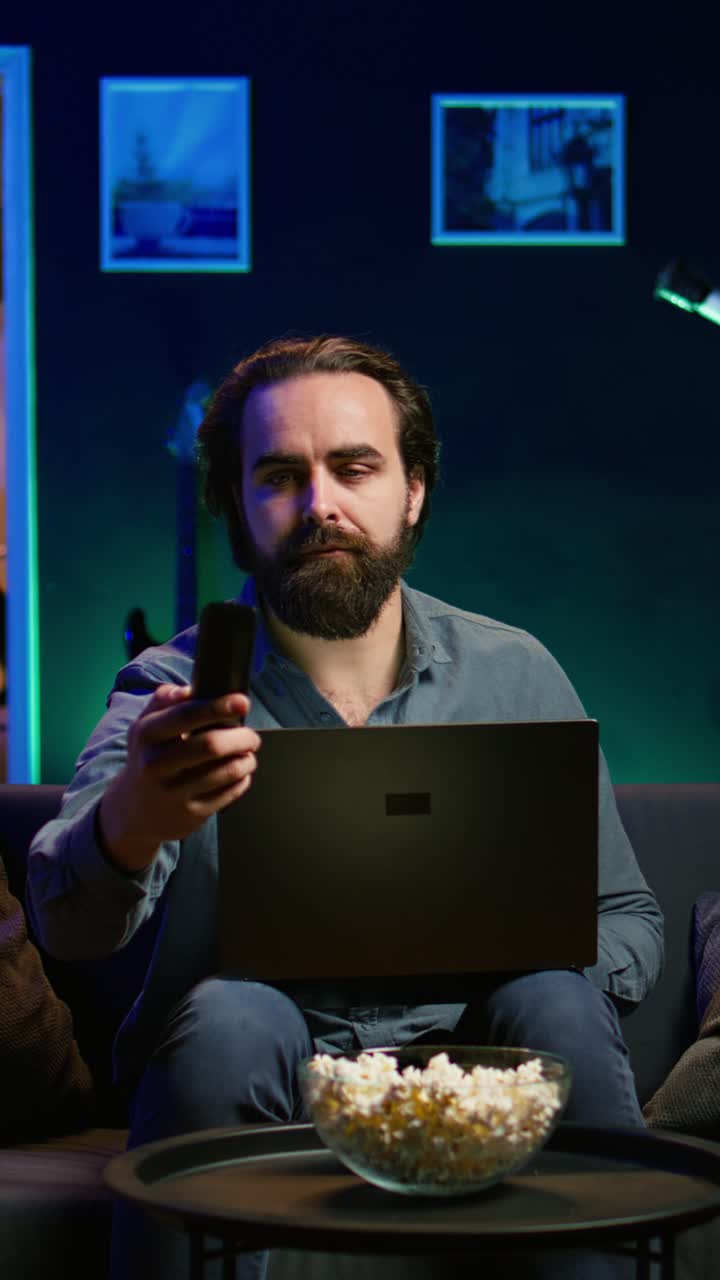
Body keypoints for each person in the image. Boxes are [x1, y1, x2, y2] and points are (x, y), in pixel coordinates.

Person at [27, 335, 663, 1280]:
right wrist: (136, 818)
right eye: (281, 475)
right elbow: (65, 919)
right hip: (255, 1067)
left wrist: (520, 953)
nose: (320, 504)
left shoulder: (514, 671)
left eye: (354, 467)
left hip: (477, 1074)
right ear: (236, 508)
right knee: (233, 1016)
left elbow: (632, 922)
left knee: (557, 1001)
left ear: (412, 491)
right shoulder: (169, 691)